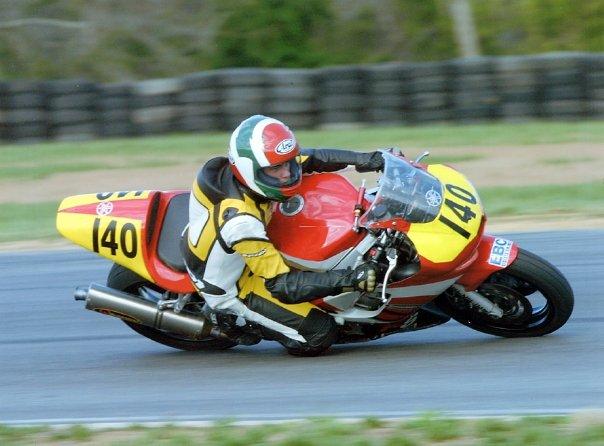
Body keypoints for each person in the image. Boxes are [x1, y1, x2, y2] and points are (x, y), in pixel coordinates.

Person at [182, 114, 385, 355]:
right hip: (235, 283)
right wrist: (350, 278)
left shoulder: (253, 170)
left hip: (237, 243)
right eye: (276, 168)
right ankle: (234, 319)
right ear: (250, 171)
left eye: (287, 163)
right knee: (320, 333)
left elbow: (314, 157)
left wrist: (370, 159)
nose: (287, 173)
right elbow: (282, 285)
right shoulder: (242, 222)